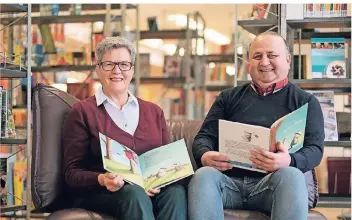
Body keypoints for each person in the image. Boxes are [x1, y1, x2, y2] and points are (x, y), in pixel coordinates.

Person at [188, 31, 324, 220]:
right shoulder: (228, 97)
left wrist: (287, 161)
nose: (264, 62)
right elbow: (204, 137)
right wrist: (205, 155)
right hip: (229, 183)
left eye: (272, 55)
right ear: (248, 62)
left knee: (292, 175)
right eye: (257, 56)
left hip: (273, 185)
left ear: (287, 60)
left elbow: (315, 149)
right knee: (203, 175)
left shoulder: (305, 101)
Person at [62, 36, 187, 220]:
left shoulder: (154, 112)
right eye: (109, 64)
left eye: (124, 64)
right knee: (134, 193)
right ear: (98, 68)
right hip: (104, 193)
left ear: (132, 69)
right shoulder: (82, 111)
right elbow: (71, 173)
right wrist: (102, 179)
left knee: (175, 193)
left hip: (149, 191)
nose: (117, 71)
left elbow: (165, 163)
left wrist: (159, 180)